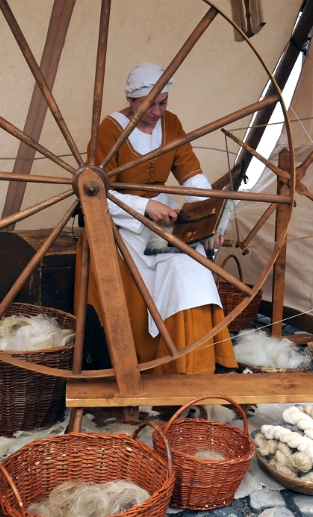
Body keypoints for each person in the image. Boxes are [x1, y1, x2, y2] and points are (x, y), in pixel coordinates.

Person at [75, 62, 237, 375]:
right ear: (131, 99)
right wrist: (143, 206)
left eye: (163, 102)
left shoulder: (171, 124)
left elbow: (192, 176)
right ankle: (166, 361)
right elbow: (94, 188)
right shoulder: (110, 129)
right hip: (123, 220)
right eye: (150, 104)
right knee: (176, 265)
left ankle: (194, 364)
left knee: (193, 263)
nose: (158, 111)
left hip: (163, 218)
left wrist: (209, 219)